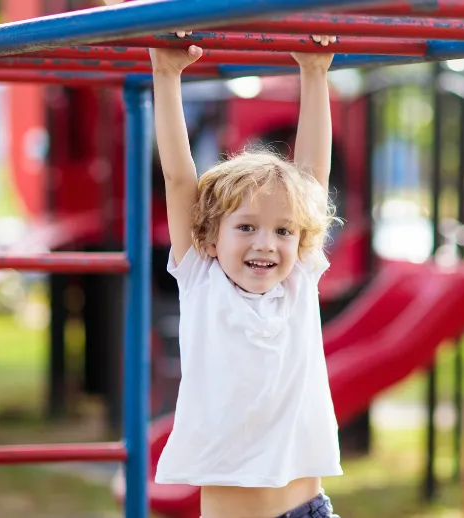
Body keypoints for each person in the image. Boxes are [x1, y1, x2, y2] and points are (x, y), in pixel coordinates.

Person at [148, 31, 343, 518]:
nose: (266, 243)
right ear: (210, 237)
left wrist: (314, 73)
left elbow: (313, 177)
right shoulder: (201, 279)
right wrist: (166, 74)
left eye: (282, 230)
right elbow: (178, 178)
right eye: (247, 227)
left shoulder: (299, 282)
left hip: (308, 509)